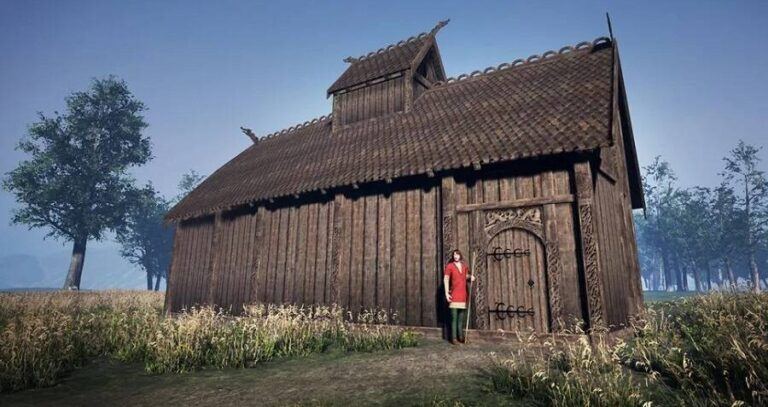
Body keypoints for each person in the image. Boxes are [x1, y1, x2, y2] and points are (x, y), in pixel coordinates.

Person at [443, 249, 475, 344]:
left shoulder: (464, 266)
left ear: (460, 256)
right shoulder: (450, 266)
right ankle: (453, 338)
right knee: (454, 318)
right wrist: (446, 293)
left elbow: (464, 276)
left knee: (461, 318)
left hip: (463, 294)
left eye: (457, 255)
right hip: (454, 294)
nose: (455, 256)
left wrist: (470, 277)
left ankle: (461, 337)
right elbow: (446, 279)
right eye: (454, 255)